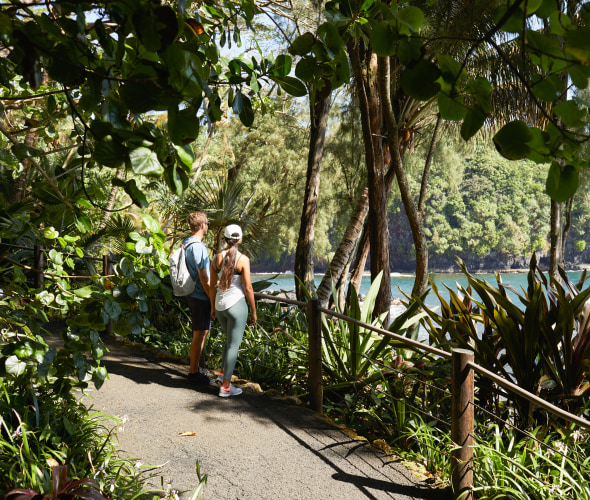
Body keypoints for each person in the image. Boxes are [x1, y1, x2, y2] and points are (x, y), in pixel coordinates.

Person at [210, 224, 257, 397]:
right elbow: (248, 289)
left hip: (220, 306)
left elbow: (211, 286)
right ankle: (226, 387)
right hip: (236, 306)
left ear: (225, 239)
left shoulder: (216, 258)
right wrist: (254, 311)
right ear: (240, 239)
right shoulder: (243, 259)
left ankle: (223, 375)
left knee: (229, 342)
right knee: (233, 346)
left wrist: (212, 307)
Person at [184, 211, 212, 385]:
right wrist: (213, 297)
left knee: (201, 332)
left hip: (191, 292)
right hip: (200, 295)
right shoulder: (199, 247)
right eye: (207, 223)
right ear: (202, 225)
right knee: (199, 334)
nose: (208, 226)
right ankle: (193, 373)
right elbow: (204, 277)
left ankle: (196, 369)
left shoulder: (185, 243)